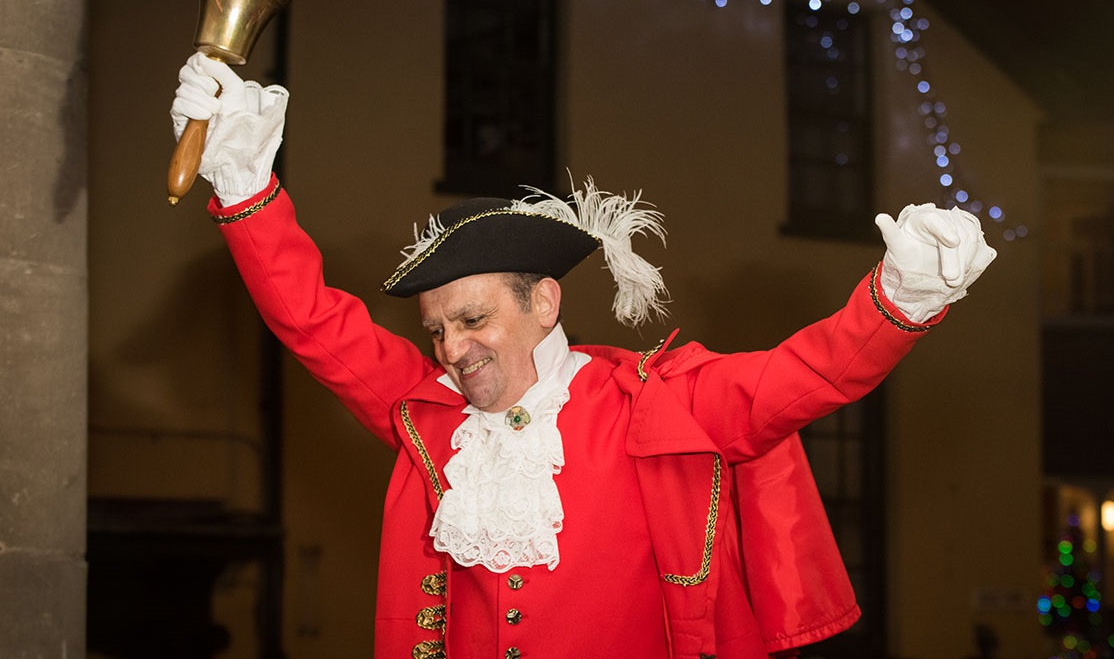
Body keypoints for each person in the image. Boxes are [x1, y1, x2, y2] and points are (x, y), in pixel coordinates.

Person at [169, 51, 996, 659]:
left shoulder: (657, 404)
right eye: (437, 331)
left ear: (544, 303)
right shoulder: (434, 419)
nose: (451, 350)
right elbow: (315, 323)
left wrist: (903, 297)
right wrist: (245, 186)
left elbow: (805, 375)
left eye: (472, 320)